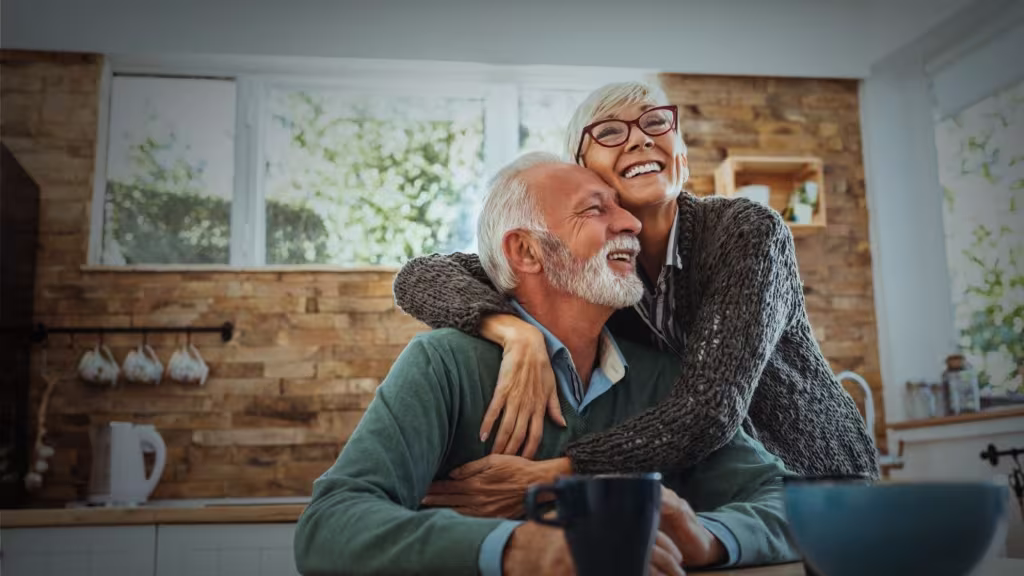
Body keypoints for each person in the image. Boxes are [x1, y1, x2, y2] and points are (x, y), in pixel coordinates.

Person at [294, 153, 798, 576]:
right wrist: (519, 548)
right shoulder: (443, 364)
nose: (631, 223)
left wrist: (704, 537)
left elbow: (789, 504)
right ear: (526, 251)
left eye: (621, 208)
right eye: (596, 210)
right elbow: (331, 523)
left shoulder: (664, 378)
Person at [392, 81, 878, 480]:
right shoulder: (588, 268)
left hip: (819, 479)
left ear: (681, 158)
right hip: (720, 489)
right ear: (584, 173)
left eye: (655, 123)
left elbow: (708, 410)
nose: (641, 138)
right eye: (608, 131)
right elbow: (421, 276)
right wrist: (511, 331)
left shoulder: (747, 232)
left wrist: (557, 472)